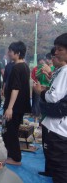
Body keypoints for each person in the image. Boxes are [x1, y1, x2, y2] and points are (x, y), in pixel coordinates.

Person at [33, 33, 67, 183]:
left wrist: (40, 92)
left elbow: (54, 97)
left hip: (57, 128)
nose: (56, 53)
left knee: (59, 165)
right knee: (55, 162)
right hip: (55, 126)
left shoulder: (65, 71)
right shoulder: (61, 71)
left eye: (60, 49)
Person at [2, 41, 31, 166]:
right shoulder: (25, 66)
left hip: (15, 106)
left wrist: (9, 108)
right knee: (12, 130)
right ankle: (11, 154)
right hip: (20, 106)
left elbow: (16, 88)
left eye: (11, 51)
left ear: (17, 53)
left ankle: (15, 158)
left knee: (10, 132)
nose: (8, 53)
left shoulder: (17, 67)